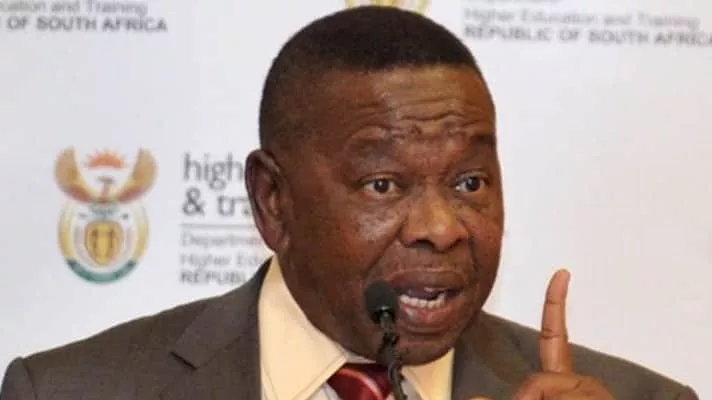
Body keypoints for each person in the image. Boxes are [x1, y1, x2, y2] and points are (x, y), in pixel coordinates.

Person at [0, 6, 698, 400]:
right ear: (273, 202)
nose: (442, 229)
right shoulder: (69, 391)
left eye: (469, 183)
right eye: (383, 185)